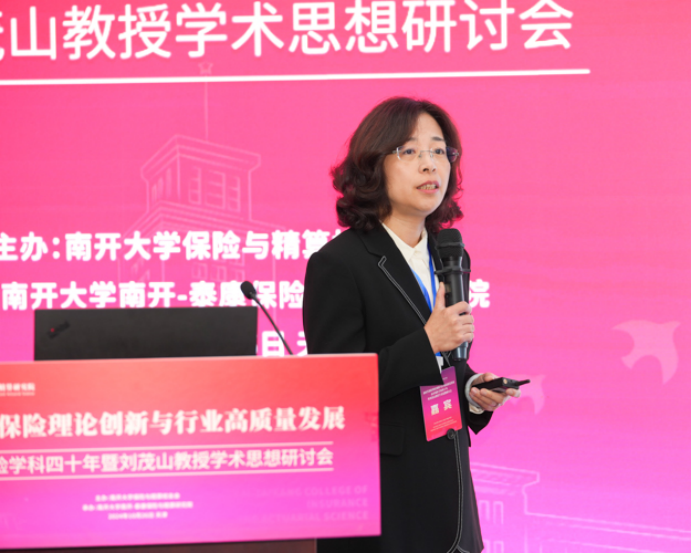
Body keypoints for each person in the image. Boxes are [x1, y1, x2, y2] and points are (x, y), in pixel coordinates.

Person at [302, 97, 520, 553]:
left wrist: (472, 390)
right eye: (410, 151)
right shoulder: (340, 264)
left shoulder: (448, 254)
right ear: (373, 165)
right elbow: (336, 391)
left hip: (451, 505)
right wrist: (427, 342)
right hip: (386, 510)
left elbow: (442, 364)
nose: (430, 164)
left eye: (440, 151)